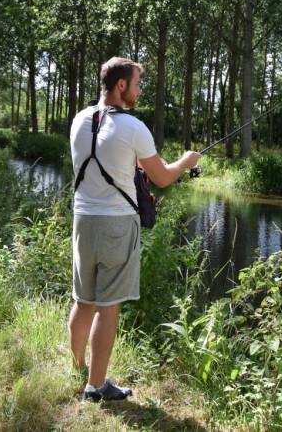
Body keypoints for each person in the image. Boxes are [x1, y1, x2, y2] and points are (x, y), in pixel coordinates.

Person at [69, 57, 201, 403]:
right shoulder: (133, 127)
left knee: (83, 300)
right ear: (121, 85)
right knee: (108, 306)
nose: (140, 90)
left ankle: (78, 366)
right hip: (116, 225)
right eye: (138, 83)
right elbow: (162, 178)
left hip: (82, 219)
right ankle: (95, 388)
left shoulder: (79, 120)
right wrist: (187, 161)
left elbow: (102, 165)